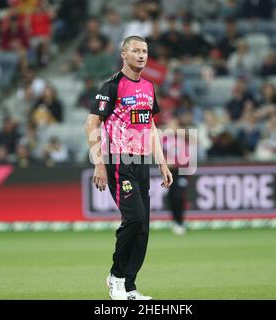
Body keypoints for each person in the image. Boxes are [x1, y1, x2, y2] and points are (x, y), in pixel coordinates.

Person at [84, 36, 173, 300]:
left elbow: (150, 127)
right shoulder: (112, 86)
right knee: (133, 218)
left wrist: (162, 162)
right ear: (123, 54)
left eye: (145, 51)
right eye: (135, 50)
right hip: (118, 161)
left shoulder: (148, 87)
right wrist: (99, 163)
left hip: (142, 161)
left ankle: (129, 287)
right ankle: (116, 276)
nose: (141, 55)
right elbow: (91, 124)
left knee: (143, 226)